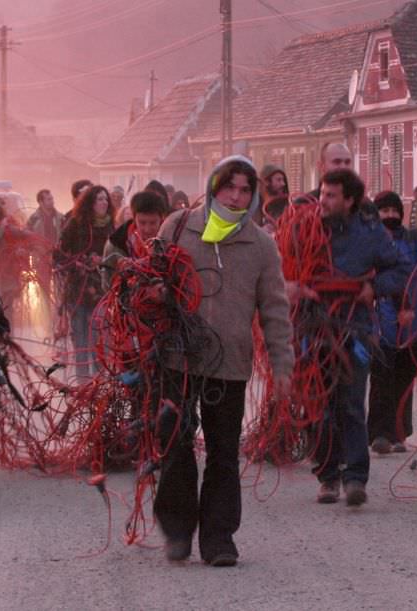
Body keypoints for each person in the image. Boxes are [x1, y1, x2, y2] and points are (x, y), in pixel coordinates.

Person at [154, 156, 294, 567]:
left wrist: (282, 365)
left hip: (230, 367)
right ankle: (178, 530)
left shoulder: (261, 246)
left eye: (245, 190)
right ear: (215, 188)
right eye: (229, 187)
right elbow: (150, 281)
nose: (236, 196)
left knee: (222, 452)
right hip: (177, 359)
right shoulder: (178, 227)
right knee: (175, 444)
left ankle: (218, 540)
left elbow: (275, 309)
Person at [286, 169, 411, 506]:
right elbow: (277, 264)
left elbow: (401, 268)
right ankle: (328, 477)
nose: (322, 200)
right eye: (322, 193)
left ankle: (356, 478)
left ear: (350, 200)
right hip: (311, 327)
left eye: (330, 196)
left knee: (352, 404)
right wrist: (291, 288)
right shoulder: (301, 228)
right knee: (318, 404)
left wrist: (374, 287)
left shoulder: (371, 234)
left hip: (353, 327)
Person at [368, 185, 417, 454]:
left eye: (393, 210)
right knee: (381, 380)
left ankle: (399, 434)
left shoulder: (414, 241)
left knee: (405, 379)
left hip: (412, 325)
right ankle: (379, 433)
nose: (389, 214)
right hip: (380, 326)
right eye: (384, 210)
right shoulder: (369, 246)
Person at [54, 184, 116, 380]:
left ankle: (99, 383)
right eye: (99, 199)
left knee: (99, 339)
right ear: (90, 202)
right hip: (77, 290)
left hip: (102, 291)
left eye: (106, 199)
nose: (104, 202)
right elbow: (58, 256)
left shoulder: (112, 228)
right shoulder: (75, 225)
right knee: (80, 339)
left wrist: (103, 261)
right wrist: (78, 263)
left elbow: (118, 257)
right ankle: (83, 383)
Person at [101, 190, 168, 291]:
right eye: (142, 222)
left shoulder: (172, 241)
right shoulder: (115, 244)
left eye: (153, 223)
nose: (147, 229)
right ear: (134, 217)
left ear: (162, 219)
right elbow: (107, 286)